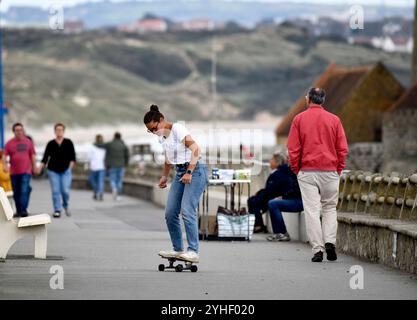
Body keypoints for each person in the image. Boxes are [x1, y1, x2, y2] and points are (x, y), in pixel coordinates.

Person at [287, 87, 348, 263]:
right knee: (329, 208)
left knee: (312, 210)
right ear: (323, 100)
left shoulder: (299, 119)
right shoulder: (334, 120)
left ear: (308, 100)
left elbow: (293, 149)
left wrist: (296, 169)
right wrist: (338, 168)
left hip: (307, 171)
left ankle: (318, 249)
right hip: (330, 171)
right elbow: (342, 149)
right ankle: (330, 241)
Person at [144, 105, 208, 263]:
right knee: (170, 213)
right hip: (180, 172)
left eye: (154, 128)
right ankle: (177, 249)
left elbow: (195, 149)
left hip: (196, 171)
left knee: (187, 210)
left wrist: (189, 172)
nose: (154, 132)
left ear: (161, 120)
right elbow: (168, 157)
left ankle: (193, 251)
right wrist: (164, 176)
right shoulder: (162, 137)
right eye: (150, 131)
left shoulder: (177, 129)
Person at [38, 123, 76, 218]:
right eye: (57, 130)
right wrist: (39, 167)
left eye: (61, 130)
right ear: (55, 131)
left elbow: (73, 157)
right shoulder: (50, 143)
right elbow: (45, 158)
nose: (59, 131)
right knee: (55, 191)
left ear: (63, 131)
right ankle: (57, 209)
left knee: (65, 191)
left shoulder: (68, 142)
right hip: (53, 170)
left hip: (66, 171)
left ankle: (65, 205)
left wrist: (70, 168)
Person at [265, 153, 303, 242]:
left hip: (300, 201)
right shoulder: (290, 170)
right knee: (272, 202)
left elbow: (297, 191)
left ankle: (282, 233)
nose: (287, 160)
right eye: (287, 158)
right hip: (293, 199)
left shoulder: (299, 173)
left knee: (273, 203)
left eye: (289, 158)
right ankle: (278, 233)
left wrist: (283, 197)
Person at [248, 152, 290, 233]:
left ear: (277, 162)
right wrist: (259, 193)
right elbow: (269, 188)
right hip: (271, 195)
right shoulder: (279, 172)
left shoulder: (278, 174)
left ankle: (258, 226)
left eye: (272, 160)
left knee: (253, 201)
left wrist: (260, 195)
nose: (270, 162)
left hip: (273, 197)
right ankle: (258, 225)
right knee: (253, 200)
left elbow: (271, 190)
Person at [3, 123, 37, 217]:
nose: (19, 132)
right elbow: (4, 155)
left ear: (23, 131)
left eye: (20, 130)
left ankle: (23, 210)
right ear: (14, 131)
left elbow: (32, 155)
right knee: (16, 192)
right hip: (13, 172)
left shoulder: (28, 142)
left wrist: (34, 167)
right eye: (17, 130)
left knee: (23, 190)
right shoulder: (9, 143)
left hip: (26, 171)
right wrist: (5, 165)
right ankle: (19, 210)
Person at [104, 132, 129, 201]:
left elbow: (103, 147)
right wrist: (126, 163)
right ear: (120, 137)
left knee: (112, 179)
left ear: (114, 136)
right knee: (119, 180)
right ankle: (119, 195)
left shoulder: (110, 144)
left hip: (112, 165)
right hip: (121, 165)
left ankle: (113, 188)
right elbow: (127, 155)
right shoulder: (123, 145)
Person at [88, 134, 106, 201]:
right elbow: (106, 157)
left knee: (93, 181)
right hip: (102, 166)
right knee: (100, 181)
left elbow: (89, 157)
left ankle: (95, 192)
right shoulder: (104, 147)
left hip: (94, 166)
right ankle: (100, 193)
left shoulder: (92, 146)